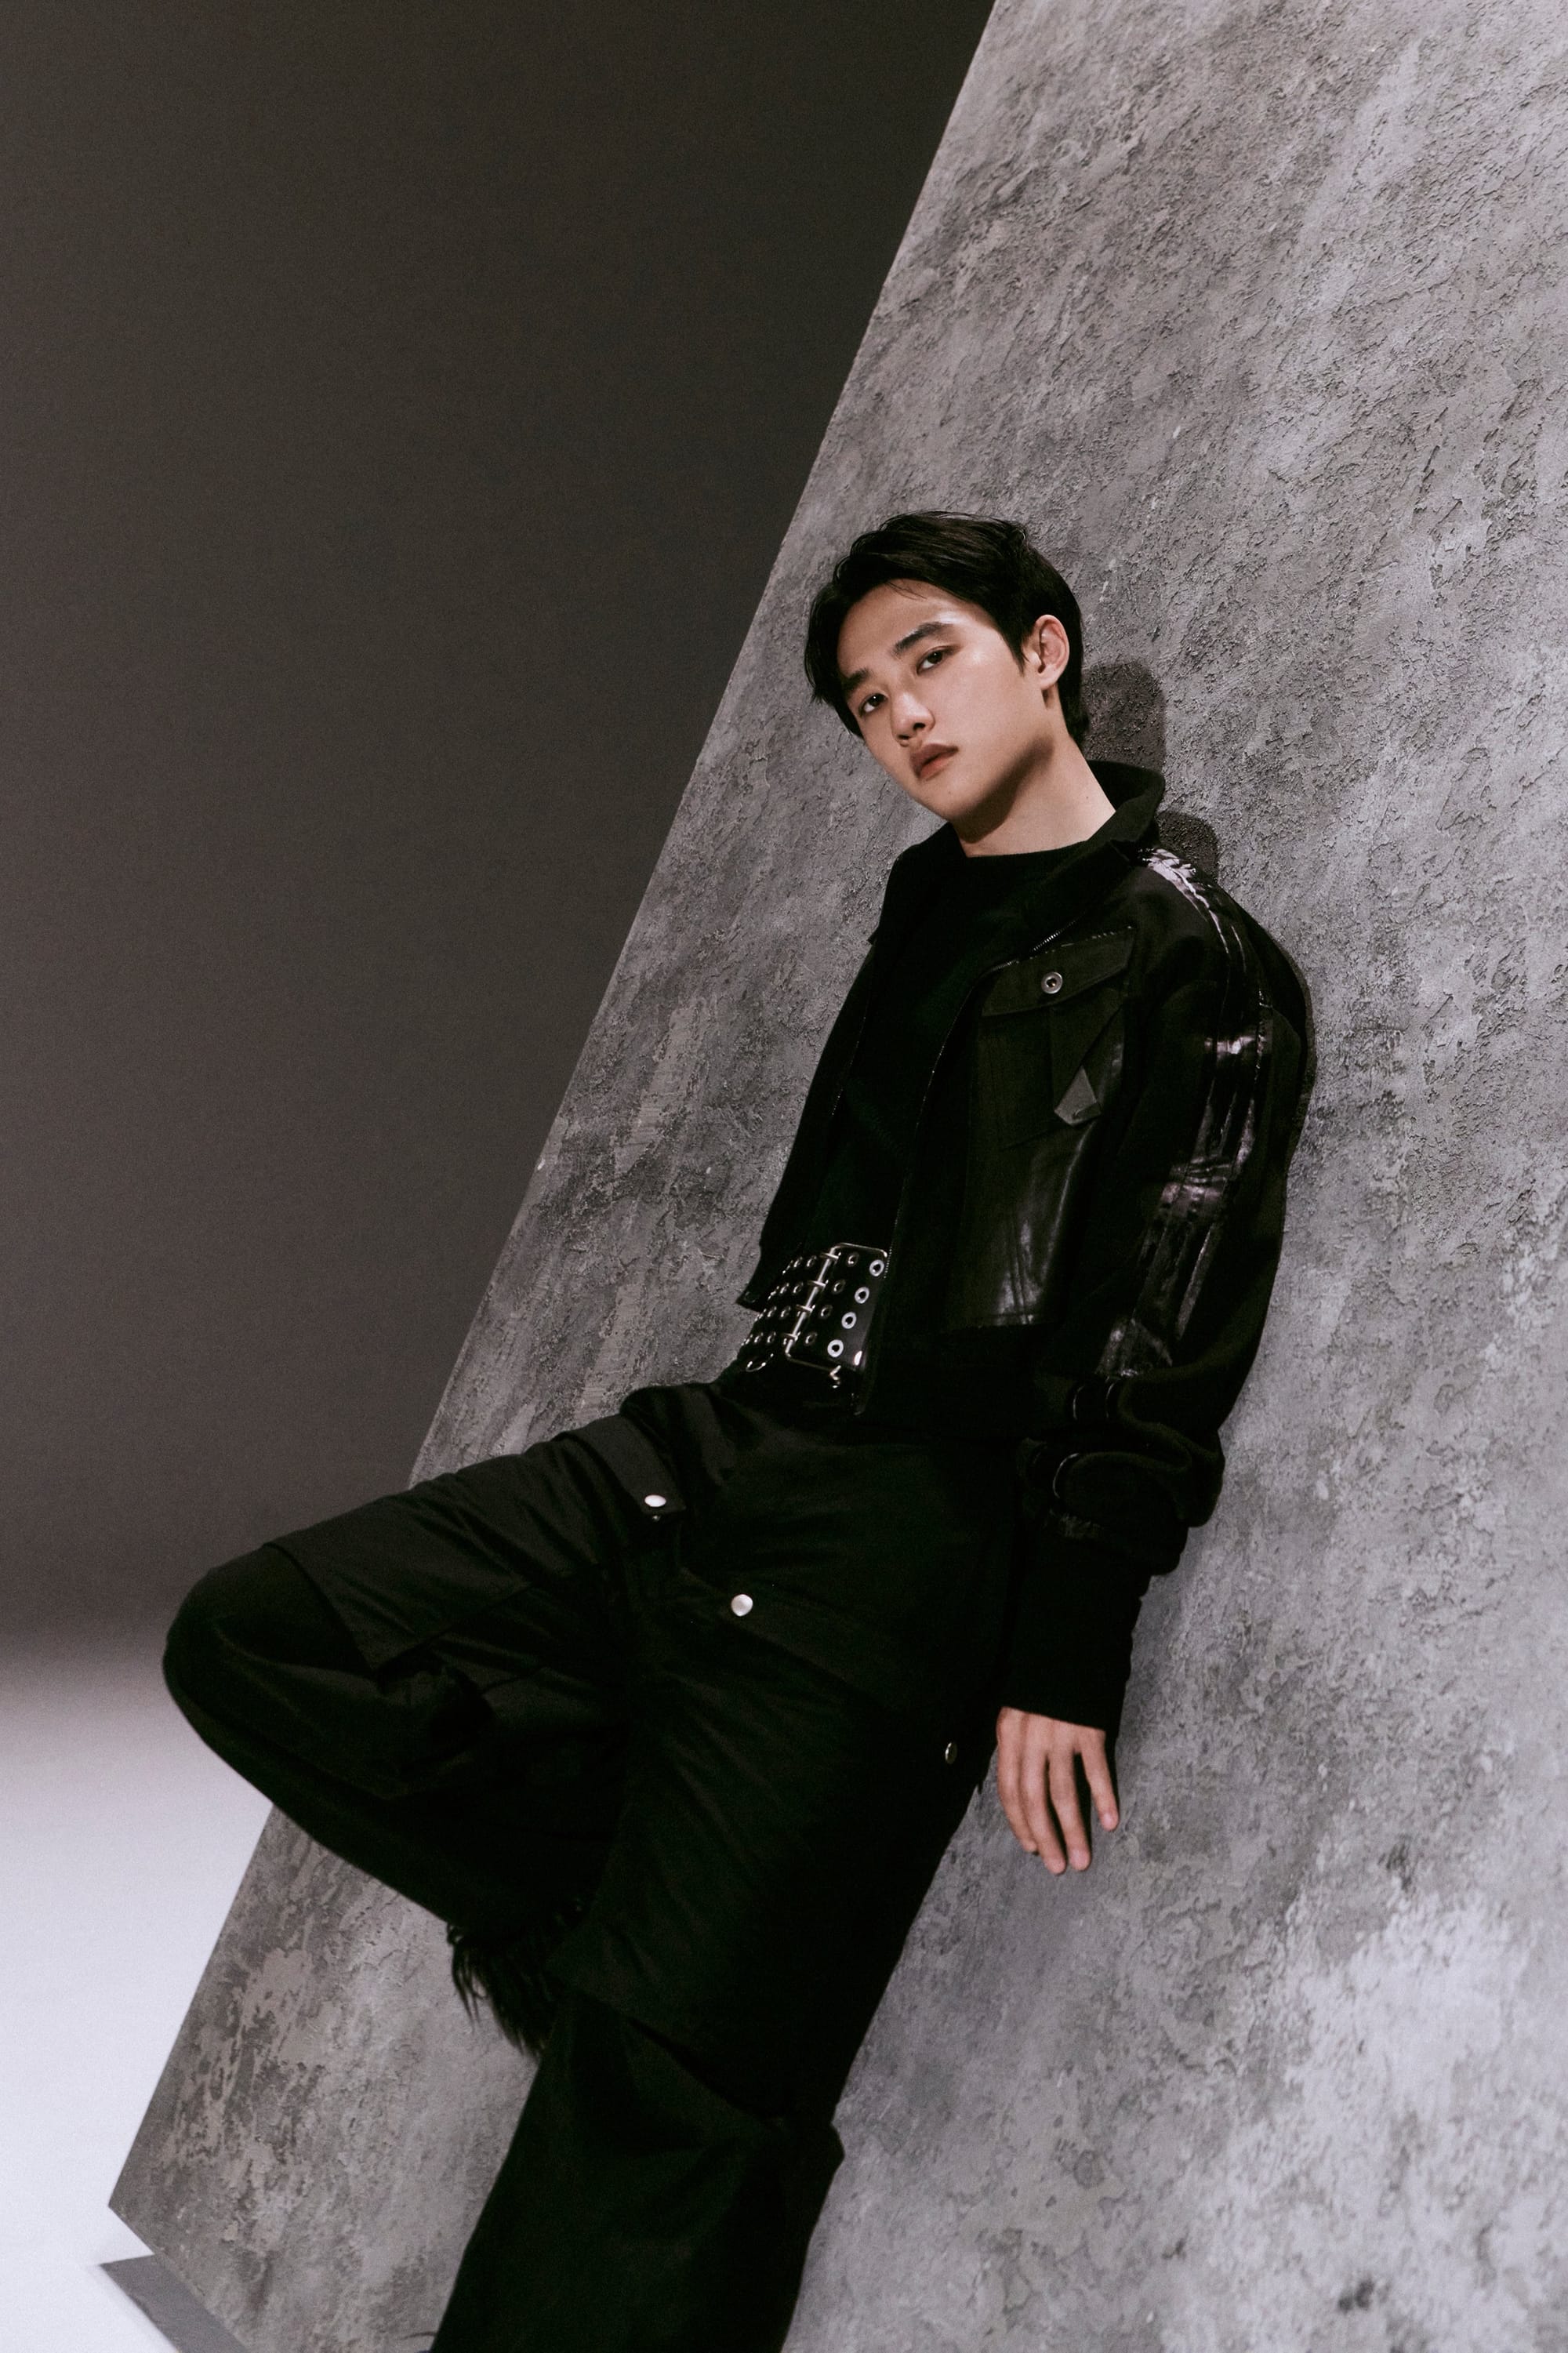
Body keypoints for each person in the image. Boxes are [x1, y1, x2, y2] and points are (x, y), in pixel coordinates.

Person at [162, 511, 1314, 2351]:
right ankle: (630, 1898)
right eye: (865, 700)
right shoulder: (919, 910)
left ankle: (673, 1968)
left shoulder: (1194, 962)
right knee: (262, 1634)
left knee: (658, 2099)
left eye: (930, 659)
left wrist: (1062, 1643)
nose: (903, 716)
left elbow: (1159, 1331)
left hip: (906, 1527)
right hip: (723, 1443)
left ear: (1041, 652)